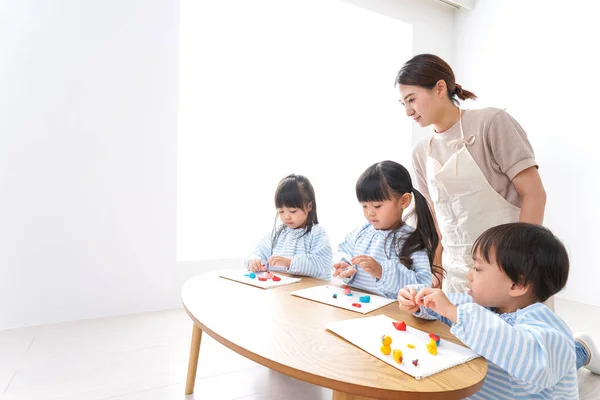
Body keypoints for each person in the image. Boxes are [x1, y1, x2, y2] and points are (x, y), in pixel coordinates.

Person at [398, 223, 577, 398]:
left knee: (574, 355)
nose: (469, 275)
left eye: (477, 269)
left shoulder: (545, 326)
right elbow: (443, 308)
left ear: (517, 284)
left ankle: (582, 350)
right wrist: (417, 297)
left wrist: (453, 312)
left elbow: (533, 362)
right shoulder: (483, 305)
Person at [332, 161, 440, 298]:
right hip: (356, 307)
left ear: (404, 201)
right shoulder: (361, 232)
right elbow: (342, 251)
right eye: (364, 206)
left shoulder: (411, 240)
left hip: (392, 314)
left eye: (377, 206)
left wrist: (382, 272)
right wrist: (345, 267)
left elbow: (423, 286)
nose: (370, 213)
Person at [245, 174, 332, 279]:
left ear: (309, 206)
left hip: (308, 291)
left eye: (292, 211)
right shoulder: (278, 233)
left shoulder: (317, 233)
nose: (286, 216)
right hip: (281, 291)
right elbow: (258, 252)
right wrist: (254, 262)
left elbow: (323, 265)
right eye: (281, 211)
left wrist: (290, 263)